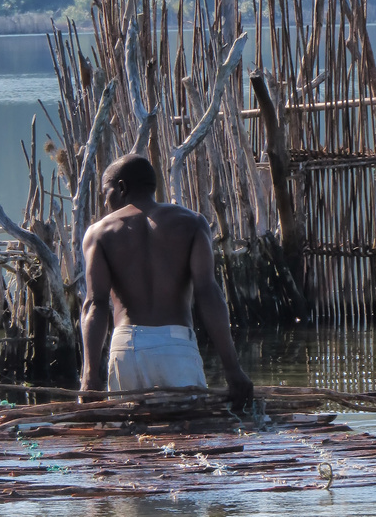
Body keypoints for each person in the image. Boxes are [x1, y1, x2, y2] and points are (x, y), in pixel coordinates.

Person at [80, 153, 254, 409]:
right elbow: (208, 293)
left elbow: (96, 304)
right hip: (176, 346)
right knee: (189, 439)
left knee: (131, 439)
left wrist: (89, 375)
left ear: (121, 188)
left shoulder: (99, 233)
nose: (106, 202)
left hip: (126, 347)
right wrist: (232, 368)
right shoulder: (192, 223)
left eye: (106, 193)